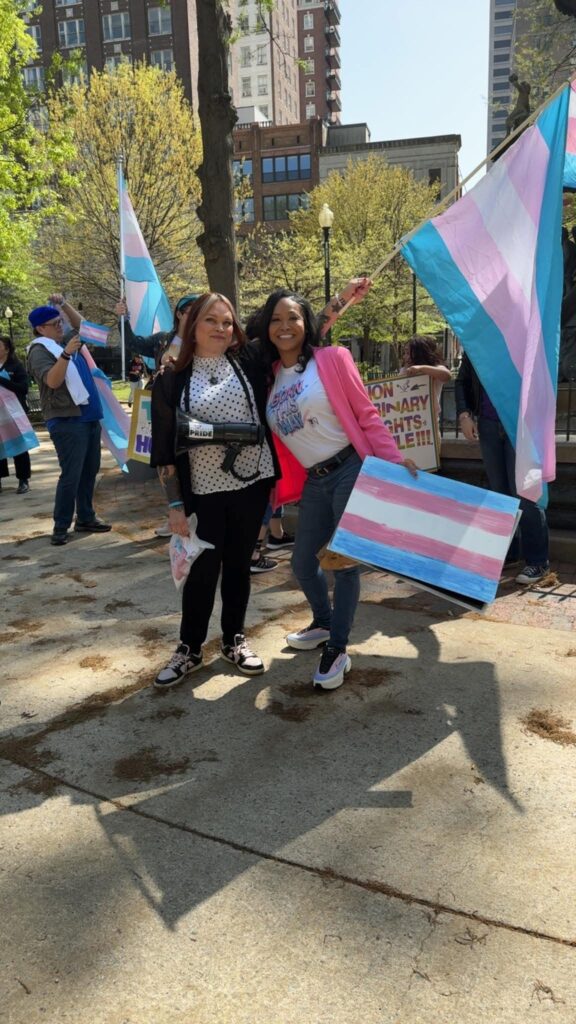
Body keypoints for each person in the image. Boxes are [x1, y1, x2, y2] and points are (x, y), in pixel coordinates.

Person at [253, 288, 418, 692]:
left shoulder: (332, 359)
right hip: (315, 479)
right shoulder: (268, 375)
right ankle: (324, 622)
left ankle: (338, 649)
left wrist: (393, 461)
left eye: (293, 317)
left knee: (343, 565)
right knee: (302, 564)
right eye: (276, 319)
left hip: (351, 469)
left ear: (306, 323)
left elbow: (367, 414)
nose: (285, 326)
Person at [150, 292, 279, 689]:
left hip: (252, 484)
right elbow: (164, 449)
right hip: (201, 491)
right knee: (203, 571)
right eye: (211, 320)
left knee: (239, 565)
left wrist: (344, 299)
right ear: (192, 326)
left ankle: (233, 639)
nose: (221, 328)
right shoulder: (171, 378)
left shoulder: (249, 361)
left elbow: (296, 330)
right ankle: (189, 647)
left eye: (227, 321)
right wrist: (174, 503)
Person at [455, 352, 549, 584]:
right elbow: (462, 380)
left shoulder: (527, 336)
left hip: (521, 424)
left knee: (525, 492)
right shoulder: (478, 339)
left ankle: (538, 561)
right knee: (500, 493)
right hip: (488, 424)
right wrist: (464, 414)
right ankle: (509, 553)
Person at [26, 296, 111, 546]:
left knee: (89, 471)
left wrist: (64, 305)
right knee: (71, 475)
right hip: (67, 420)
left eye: (60, 321)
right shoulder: (39, 351)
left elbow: (85, 327)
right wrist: (65, 355)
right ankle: (61, 525)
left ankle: (85, 517)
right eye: (55, 324)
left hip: (89, 416)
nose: (60, 326)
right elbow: (52, 381)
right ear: (40, 328)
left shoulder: (64, 341)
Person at [115, 293, 199, 537]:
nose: (196, 316)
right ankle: (175, 514)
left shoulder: (203, 339)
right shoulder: (164, 339)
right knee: (166, 463)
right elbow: (134, 343)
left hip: (193, 411)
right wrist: (123, 319)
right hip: (164, 411)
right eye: (191, 311)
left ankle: (195, 515)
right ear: (179, 314)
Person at [0, 334, 32, 494]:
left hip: (14, 414)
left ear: (6, 349)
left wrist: (3, 380)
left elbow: (23, 388)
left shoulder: (16, 366)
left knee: (19, 446)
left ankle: (23, 480)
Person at [402, 335, 452, 420]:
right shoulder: (404, 370)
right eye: (405, 353)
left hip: (429, 422)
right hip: (407, 421)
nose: (404, 357)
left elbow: (447, 376)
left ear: (419, 354)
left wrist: (421, 368)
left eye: (408, 353)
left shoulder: (434, 369)